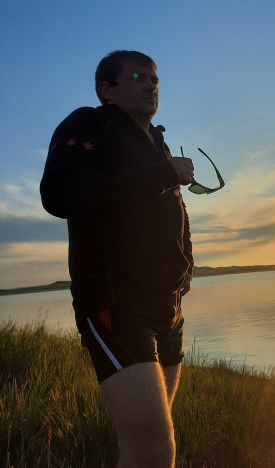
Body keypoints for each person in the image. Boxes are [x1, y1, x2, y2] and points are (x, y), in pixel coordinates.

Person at [40, 50, 195, 468]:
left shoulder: (155, 141)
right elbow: (59, 193)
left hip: (169, 306)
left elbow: (174, 214)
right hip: (115, 301)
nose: (151, 84)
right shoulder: (89, 124)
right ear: (106, 89)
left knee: (152, 441)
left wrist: (186, 272)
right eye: (138, 76)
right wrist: (165, 173)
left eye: (155, 79)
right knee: (152, 452)